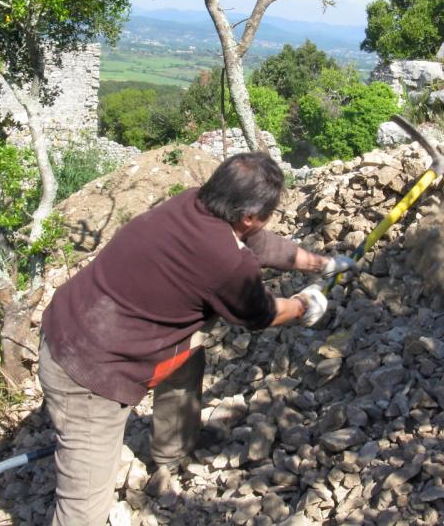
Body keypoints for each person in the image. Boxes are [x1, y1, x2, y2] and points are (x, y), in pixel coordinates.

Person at [38, 152, 355, 525]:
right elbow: (262, 313)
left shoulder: (195, 201)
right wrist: (304, 304)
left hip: (81, 316)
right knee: (84, 505)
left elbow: (261, 243)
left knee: (188, 353)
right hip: (87, 370)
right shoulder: (225, 261)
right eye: (266, 214)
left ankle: (173, 451)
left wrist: (319, 263)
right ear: (248, 215)